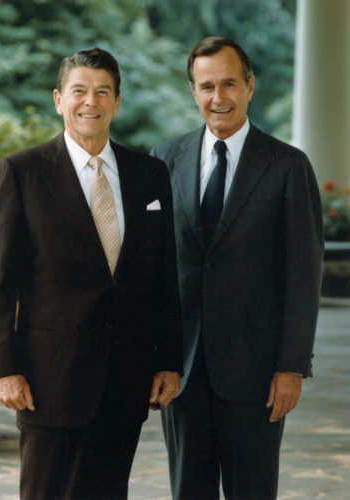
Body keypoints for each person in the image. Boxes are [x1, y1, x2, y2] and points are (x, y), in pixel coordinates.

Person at [0, 48, 182, 500]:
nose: (90, 102)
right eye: (79, 91)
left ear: (117, 101)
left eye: (102, 92)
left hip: (126, 379)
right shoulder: (21, 173)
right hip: (48, 381)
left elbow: (164, 277)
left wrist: (169, 358)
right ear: (58, 99)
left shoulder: (150, 175)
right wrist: (3, 370)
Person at [151, 36, 323, 500]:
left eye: (229, 83)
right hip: (183, 372)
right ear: (193, 92)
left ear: (251, 86)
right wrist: (154, 356)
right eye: (206, 86)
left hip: (258, 373)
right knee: (188, 492)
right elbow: (152, 270)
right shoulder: (164, 160)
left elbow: (303, 277)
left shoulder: (288, 165)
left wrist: (291, 366)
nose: (218, 97)